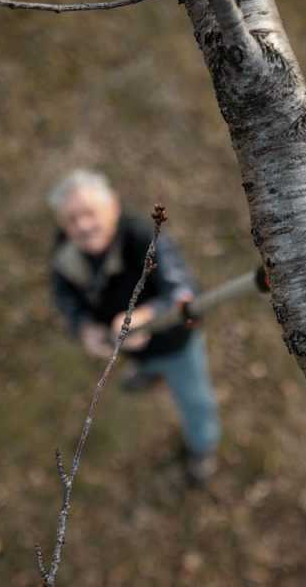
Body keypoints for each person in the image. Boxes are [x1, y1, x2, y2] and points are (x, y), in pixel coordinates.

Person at [48, 169, 220, 485]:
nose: (83, 226)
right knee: (145, 362)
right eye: (72, 219)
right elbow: (65, 300)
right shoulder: (65, 254)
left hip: (174, 344)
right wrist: (85, 329)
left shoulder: (144, 238)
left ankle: (203, 446)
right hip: (126, 346)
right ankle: (150, 372)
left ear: (113, 206)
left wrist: (141, 319)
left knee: (194, 398)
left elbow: (186, 293)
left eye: (89, 213)